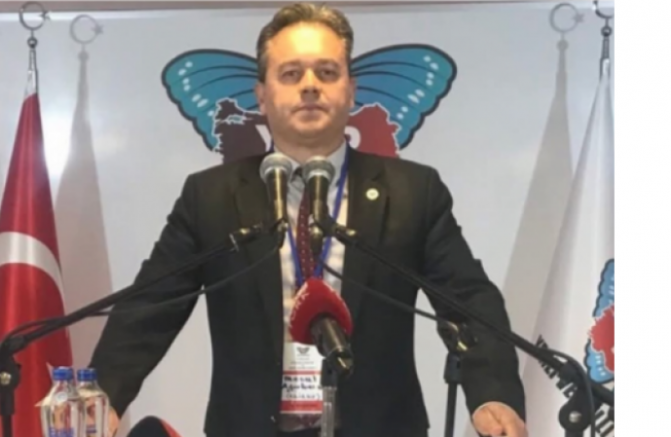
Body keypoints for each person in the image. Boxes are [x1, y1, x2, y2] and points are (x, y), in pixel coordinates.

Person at [89, 3, 528, 437]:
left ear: (351, 90)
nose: (311, 86)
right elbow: (151, 306)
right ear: (262, 95)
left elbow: (469, 300)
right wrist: (103, 395)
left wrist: (494, 395)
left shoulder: (413, 192)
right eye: (291, 73)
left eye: (327, 72)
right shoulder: (210, 197)